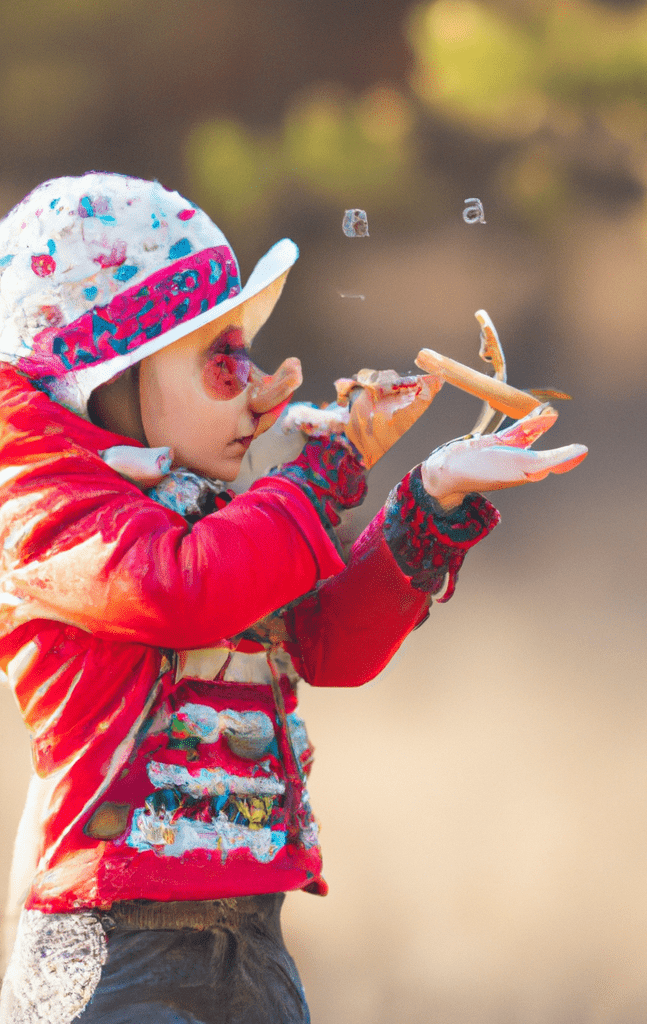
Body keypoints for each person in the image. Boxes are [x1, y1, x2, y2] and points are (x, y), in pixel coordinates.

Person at [0, 172, 586, 1023]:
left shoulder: (220, 517)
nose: (257, 387)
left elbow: (326, 646)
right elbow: (180, 591)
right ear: (114, 380)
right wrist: (326, 469)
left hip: (254, 940)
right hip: (110, 944)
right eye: (224, 360)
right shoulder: (49, 516)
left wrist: (429, 499)